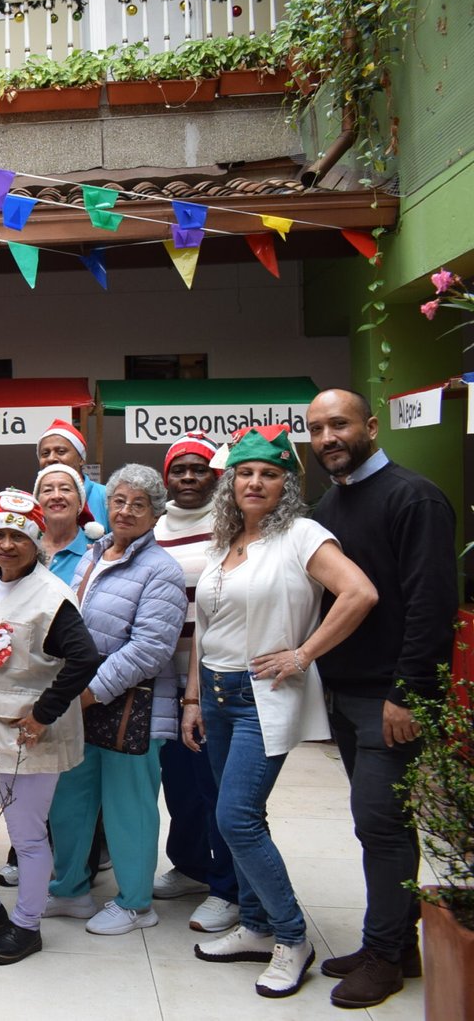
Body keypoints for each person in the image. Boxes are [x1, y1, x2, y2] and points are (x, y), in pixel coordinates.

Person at [183, 426, 376, 998]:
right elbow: (207, 630)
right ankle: (257, 925)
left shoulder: (303, 534)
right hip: (215, 693)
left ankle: (293, 936)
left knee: (236, 817)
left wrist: (303, 653)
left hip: (260, 697)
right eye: (245, 473)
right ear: (231, 482)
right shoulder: (224, 544)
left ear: (286, 484)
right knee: (233, 812)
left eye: (269, 474)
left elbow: (359, 593)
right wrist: (193, 695)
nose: (255, 482)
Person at [305, 389, 457, 1009]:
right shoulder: (331, 502)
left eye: (338, 425)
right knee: (376, 825)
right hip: (346, 694)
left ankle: (386, 956)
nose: (326, 439)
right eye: (315, 430)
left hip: (389, 698)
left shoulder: (413, 497)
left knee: (381, 823)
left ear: (369, 425)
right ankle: (397, 943)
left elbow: (432, 604)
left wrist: (409, 692)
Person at [0, 489, 102, 966]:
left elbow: (85, 658)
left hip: (26, 737)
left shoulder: (50, 597)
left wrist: (44, 712)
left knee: (27, 836)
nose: (7, 544)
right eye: (0, 534)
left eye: (19, 536)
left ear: (36, 541)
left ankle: (27, 926)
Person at [44, 465, 186, 935]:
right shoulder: (95, 553)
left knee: (129, 808)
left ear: (155, 513)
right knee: (70, 799)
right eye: (119, 500)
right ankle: (70, 891)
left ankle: (135, 903)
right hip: (80, 704)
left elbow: (149, 649)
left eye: (138, 504)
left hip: (133, 709)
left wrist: (87, 693)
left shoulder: (161, 570)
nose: (125, 510)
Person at [152, 432, 240, 935]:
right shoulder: (155, 528)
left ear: (214, 475)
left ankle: (226, 887)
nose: (188, 477)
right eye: (179, 469)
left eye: (198, 468)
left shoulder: (229, 527)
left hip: (214, 674)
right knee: (179, 781)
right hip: (163, 676)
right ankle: (189, 865)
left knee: (216, 784)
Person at [35, 463, 103, 586]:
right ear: (38, 502)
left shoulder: (99, 550)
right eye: (47, 490)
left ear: (80, 502)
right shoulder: (26, 545)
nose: (56, 496)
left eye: (65, 489)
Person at [37, 420, 107, 533]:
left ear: (81, 459)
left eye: (60, 451)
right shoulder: (34, 502)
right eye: (45, 453)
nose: (51, 458)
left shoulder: (107, 497)